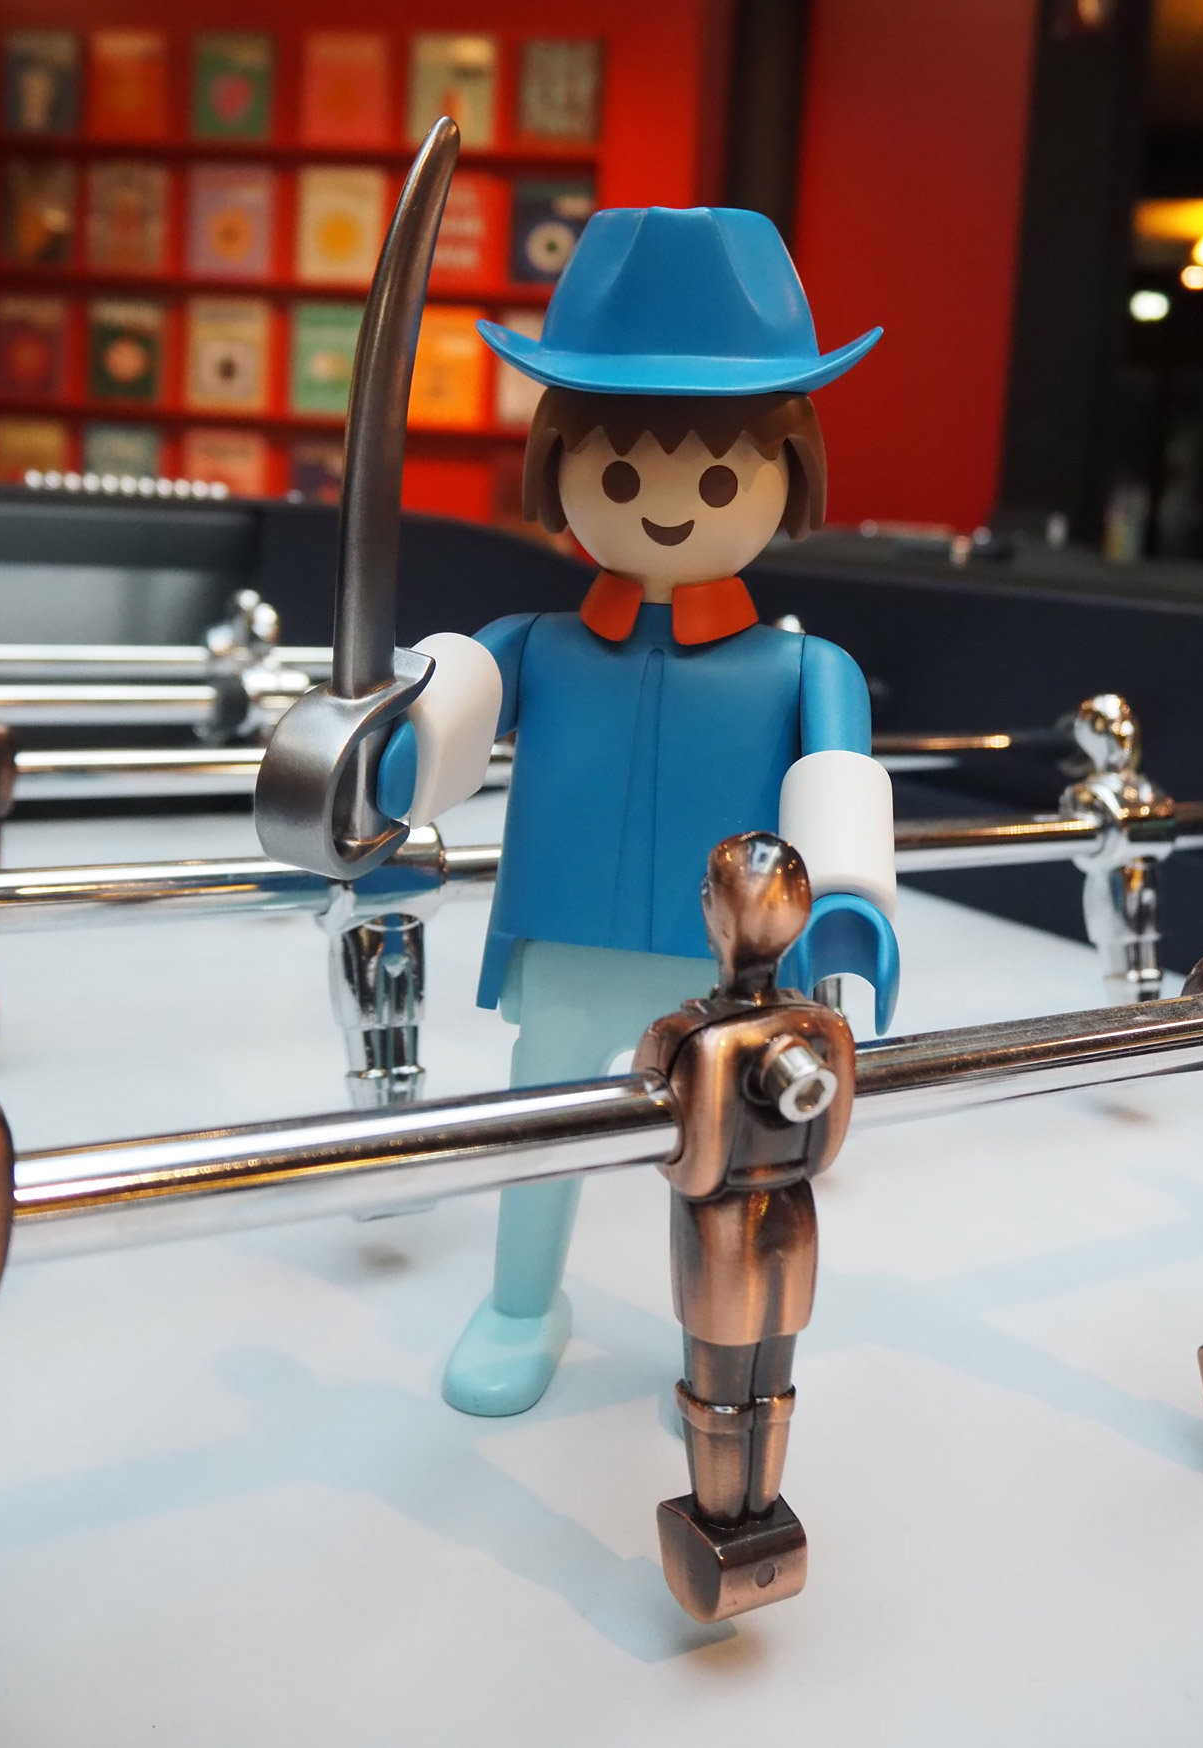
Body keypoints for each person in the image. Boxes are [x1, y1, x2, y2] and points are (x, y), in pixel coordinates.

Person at [380, 205, 899, 1416]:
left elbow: (837, 792)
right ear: (558, 465)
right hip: (568, 938)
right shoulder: (535, 643)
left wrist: (844, 920)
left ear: (788, 472)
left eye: (716, 475)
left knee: (727, 1149)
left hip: (732, 965)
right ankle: (522, 1300)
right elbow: (445, 715)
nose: (666, 502)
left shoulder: (804, 667)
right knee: (543, 1126)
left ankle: (721, 1339)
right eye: (619, 471)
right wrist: (385, 747)